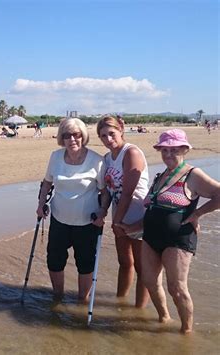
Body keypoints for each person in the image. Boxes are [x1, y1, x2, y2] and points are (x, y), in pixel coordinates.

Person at [118, 129, 220, 333]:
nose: (168, 154)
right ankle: (164, 317)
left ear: (184, 150)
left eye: (173, 150)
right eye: (164, 150)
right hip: (150, 236)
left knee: (177, 287)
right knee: (149, 280)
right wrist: (130, 228)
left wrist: (198, 213)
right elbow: (152, 212)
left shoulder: (192, 175)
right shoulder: (159, 176)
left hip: (178, 238)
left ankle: (186, 330)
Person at [37, 118, 109, 302]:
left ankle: (82, 300)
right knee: (54, 261)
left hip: (87, 222)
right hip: (59, 220)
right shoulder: (55, 156)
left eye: (76, 135)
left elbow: (104, 192)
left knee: (85, 263)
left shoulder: (97, 160)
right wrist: (40, 204)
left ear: (83, 136)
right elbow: (47, 183)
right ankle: (58, 296)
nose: (72, 139)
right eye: (67, 135)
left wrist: (102, 212)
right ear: (62, 138)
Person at [97, 115, 150, 308]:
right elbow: (108, 192)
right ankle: (121, 303)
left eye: (111, 134)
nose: (108, 139)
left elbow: (127, 192)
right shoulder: (107, 158)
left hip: (138, 218)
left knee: (142, 268)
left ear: (121, 130)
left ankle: (139, 310)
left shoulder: (131, 153)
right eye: (103, 136)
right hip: (119, 217)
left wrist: (117, 223)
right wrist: (104, 212)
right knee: (124, 262)